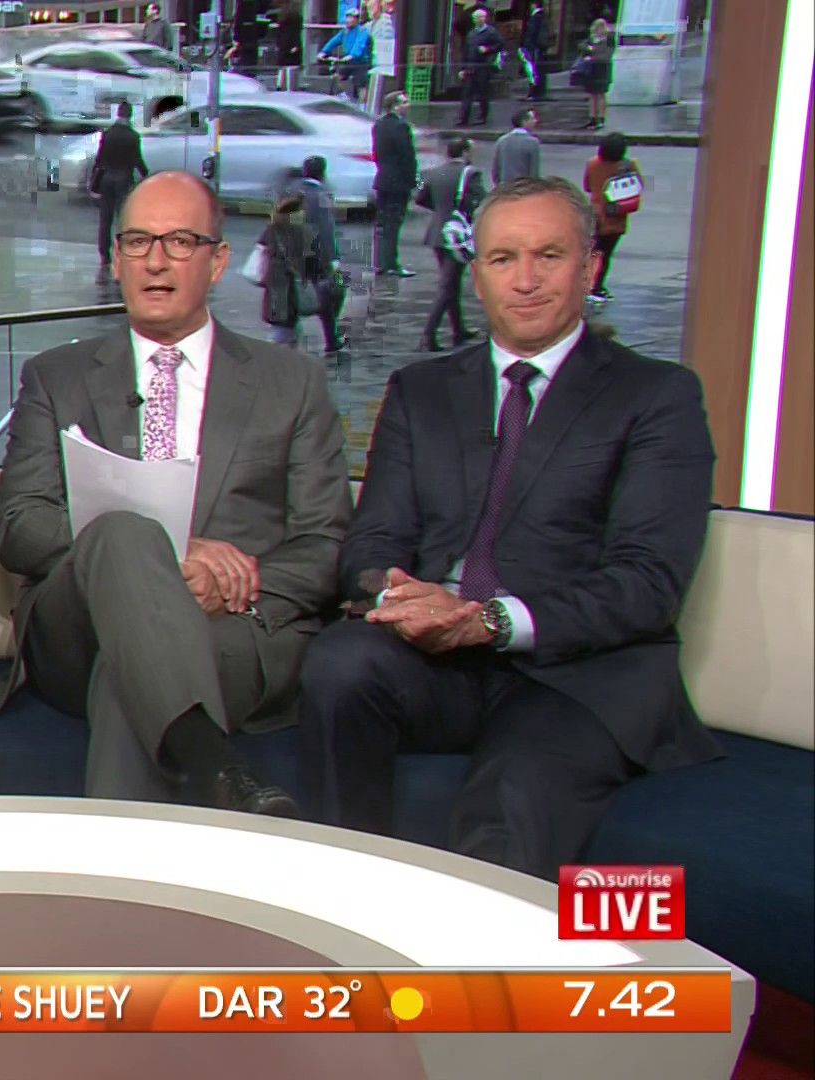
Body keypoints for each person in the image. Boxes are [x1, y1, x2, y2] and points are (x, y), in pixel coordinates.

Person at [297, 175, 719, 879]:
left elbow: (649, 582)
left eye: (548, 256)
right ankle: (343, 899)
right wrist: (398, 597)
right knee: (341, 664)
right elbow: (373, 542)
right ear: (477, 274)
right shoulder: (420, 391)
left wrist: (490, 621)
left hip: (577, 674)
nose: (525, 280)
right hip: (438, 661)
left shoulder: (656, 396)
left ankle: (478, 951)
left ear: (590, 268)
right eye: (502, 258)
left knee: (510, 800)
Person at [0, 172, 350, 814]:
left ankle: (193, 785)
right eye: (138, 241)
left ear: (218, 261)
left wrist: (238, 582)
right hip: (76, 627)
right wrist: (167, 559)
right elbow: (19, 524)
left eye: (179, 241)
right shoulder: (57, 377)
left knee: (135, 670)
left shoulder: (292, 382)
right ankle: (217, 771)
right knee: (126, 532)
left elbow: (325, 543)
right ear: (116, 258)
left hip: (232, 628)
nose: (155, 261)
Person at [416, 136, 486, 353]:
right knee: (448, 285)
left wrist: (441, 211)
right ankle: (428, 334)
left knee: (452, 282)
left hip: (437, 232)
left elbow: (420, 198)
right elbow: (481, 201)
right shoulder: (470, 174)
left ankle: (458, 329)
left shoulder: (433, 173)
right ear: (464, 152)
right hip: (457, 235)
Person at [584, 131, 643, 303]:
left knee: (592, 251)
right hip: (615, 216)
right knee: (605, 254)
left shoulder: (592, 163)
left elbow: (587, 186)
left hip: (595, 215)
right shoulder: (628, 165)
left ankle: (585, 284)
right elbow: (638, 186)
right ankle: (596, 287)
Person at [92, 101, 151, 270]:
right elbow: (137, 160)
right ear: (130, 115)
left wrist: (94, 181)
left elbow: (99, 159)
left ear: (118, 113)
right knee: (123, 219)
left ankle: (104, 254)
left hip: (107, 179)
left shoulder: (108, 134)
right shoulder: (133, 136)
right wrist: (147, 176)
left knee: (105, 219)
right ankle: (122, 252)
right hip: (124, 180)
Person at [299, 155, 347, 353]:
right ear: (322, 173)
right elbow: (327, 229)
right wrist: (333, 257)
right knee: (334, 291)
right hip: (317, 254)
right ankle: (331, 337)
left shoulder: (290, 191)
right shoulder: (321, 196)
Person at [372, 92, 419, 278]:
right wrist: (413, 181)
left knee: (382, 224)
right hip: (398, 183)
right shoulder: (401, 127)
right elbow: (407, 157)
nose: (408, 105)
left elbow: (376, 153)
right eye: (404, 102)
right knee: (393, 224)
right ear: (395, 106)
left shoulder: (379, 125)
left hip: (383, 180)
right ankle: (390, 263)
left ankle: (380, 262)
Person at [258, 194, 312, 346]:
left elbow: (261, 249)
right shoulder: (301, 231)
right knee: (284, 333)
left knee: (283, 328)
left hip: (274, 286)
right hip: (290, 286)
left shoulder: (272, 229)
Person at [458, 7, 504, 127]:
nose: (478, 20)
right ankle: (463, 118)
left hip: (483, 65)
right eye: (476, 18)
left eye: (480, 17)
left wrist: (488, 49)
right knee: (467, 93)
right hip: (470, 66)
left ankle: (482, 116)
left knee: (482, 93)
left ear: (484, 18)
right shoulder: (471, 34)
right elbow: (465, 51)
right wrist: (462, 68)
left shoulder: (491, 32)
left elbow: (500, 44)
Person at [318, 10, 373, 100]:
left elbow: (359, 45)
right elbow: (334, 41)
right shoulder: (344, 32)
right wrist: (324, 52)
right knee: (337, 77)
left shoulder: (362, 31)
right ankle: (344, 96)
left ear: (356, 20)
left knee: (361, 85)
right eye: (347, 17)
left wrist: (352, 55)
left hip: (361, 62)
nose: (348, 20)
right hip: (349, 62)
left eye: (351, 18)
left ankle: (363, 105)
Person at [575, 19, 615, 129]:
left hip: (603, 69)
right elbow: (581, 45)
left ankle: (601, 119)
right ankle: (592, 118)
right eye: (596, 28)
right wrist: (588, 48)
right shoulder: (592, 39)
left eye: (600, 28)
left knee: (601, 94)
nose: (598, 30)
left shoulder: (609, 39)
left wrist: (592, 54)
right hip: (591, 70)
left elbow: (606, 56)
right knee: (592, 95)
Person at [493, 108, 543, 185]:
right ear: (524, 122)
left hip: (505, 186)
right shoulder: (533, 142)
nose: (535, 121)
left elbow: (496, 169)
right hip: (523, 187)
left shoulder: (502, 140)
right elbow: (534, 171)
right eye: (532, 119)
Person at [521, 0, 551, 100]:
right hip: (538, 49)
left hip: (534, 49)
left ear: (533, 5)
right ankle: (538, 92)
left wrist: (528, 46)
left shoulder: (536, 17)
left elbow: (532, 34)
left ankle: (535, 93)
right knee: (538, 71)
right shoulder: (542, 17)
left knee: (534, 71)